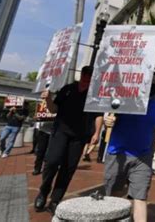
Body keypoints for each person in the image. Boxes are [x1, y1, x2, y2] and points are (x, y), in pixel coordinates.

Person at [34, 66, 103, 213]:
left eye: (90, 76)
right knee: (52, 162)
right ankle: (43, 191)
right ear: (82, 74)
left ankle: (55, 199)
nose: (87, 78)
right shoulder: (67, 89)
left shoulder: (94, 95)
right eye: (85, 74)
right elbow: (53, 110)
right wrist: (48, 99)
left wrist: (97, 133)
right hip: (61, 131)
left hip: (79, 136)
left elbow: (98, 114)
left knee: (68, 168)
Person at [103, 72, 155, 222]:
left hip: (143, 158)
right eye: (152, 81)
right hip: (118, 155)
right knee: (114, 196)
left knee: (140, 197)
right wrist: (107, 119)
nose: (154, 85)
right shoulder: (124, 100)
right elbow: (110, 114)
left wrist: (151, 153)